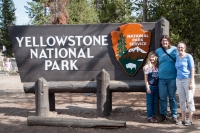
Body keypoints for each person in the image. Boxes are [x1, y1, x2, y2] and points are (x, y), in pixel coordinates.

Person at [155, 35, 178, 123]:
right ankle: (163, 115)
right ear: (161, 42)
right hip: (161, 78)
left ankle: (174, 115)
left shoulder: (175, 49)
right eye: (163, 41)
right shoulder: (158, 51)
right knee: (163, 97)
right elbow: (153, 61)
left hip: (172, 78)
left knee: (172, 97)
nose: (164, 42)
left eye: (166, 41)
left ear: (169, 41)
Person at [175, 41, 195, 126]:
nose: (180, 49)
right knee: (182, 100)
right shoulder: (177, 56)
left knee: (189, 99)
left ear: (185, 48)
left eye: (182, 47)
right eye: (179, 47)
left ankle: (190, 119)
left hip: (187, 79)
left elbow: (192, 69)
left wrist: (191, 81)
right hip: (179, 80)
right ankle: (183, 119)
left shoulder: (188, 56)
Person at [143, 51, 159, 123]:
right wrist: (148, 87)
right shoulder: (147, 67)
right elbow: (146, 78)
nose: (152, 58)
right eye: (151, 57)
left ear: (156, 57)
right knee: (149, 103)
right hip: (150, 87)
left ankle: (153, 115)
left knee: (155, 102)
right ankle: (150, 117)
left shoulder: (158, 66)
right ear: (149, 58)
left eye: (153, 57)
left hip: (157, 87)